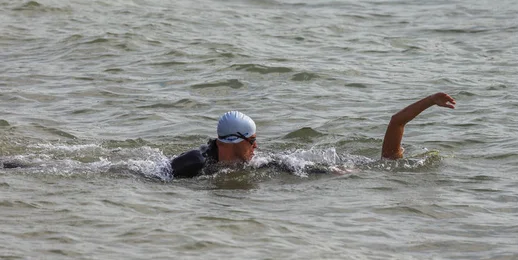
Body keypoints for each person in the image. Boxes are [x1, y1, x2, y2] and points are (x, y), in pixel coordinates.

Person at [171, 92, 455, 178]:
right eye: (254, 141)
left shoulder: (252, 162)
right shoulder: (194, 162)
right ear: (238, 141)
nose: (258, 147)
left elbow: (296, 167)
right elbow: (396, 123)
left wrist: (331, 172)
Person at [170, 111, 258, 178]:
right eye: (252, 140)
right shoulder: (195, 162)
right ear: (234, 140)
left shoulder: (250, 161)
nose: (255, 145)